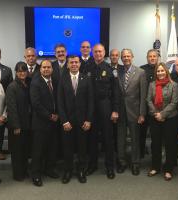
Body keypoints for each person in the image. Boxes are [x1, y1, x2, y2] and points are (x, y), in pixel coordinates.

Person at [57, 55, 94, 184]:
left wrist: (89, 120)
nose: (73, 64)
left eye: (76, 62)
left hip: (83, 121)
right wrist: (64, 121)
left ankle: (81, 171)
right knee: (67, 148)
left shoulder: (86, 79)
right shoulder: (63, 79)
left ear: (80, 64)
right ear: (67, 64)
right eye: (71, 62)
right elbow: (60, 102)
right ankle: (67, 171)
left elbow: (90, 101)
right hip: (68, 122)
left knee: (82, 148)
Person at [85, 44, 119, 179]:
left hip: (105, 105)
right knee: (92, 138)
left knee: (108, 138)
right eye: (96, 52)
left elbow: (116, 91)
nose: (98, 54)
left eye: (100, 51)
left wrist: (115, 110)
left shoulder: (110, 69)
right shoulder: (86, 67)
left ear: (104, 53)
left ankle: (109, 167)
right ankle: (92, 165)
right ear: (92, 53)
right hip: (90, 107)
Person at [116, 49, 147, 175]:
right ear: (121, 58)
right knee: (121, 139)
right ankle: (122, 162)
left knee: (135, 139)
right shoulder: (117, 72)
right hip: (120, 111)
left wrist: (142, 113)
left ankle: (135, 163)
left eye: (128, 56)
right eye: (123, 56)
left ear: (132, 57)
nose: (126, 58)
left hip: (135, 112)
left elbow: (143, 94)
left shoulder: (141, 72)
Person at [30, 60, 60, 187]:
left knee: (51, 148)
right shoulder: (35, 83)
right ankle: (36, 175)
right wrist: (50, 116)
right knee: (38, 150)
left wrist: (57, 114)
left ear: (52, 69)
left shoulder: (55, 81)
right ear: (40, 69)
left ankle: (49, 169)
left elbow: (58, 99)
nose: (46, 69)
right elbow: (35, 104)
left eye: (48, 67)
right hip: (41, 122)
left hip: (54, 122)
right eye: (44, 67)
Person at [147, 62, 178, 181]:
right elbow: (148, 100)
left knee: (169, 144)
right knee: (155, 144)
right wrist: (156, 114)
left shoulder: (173, 85)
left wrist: (163, 114)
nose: (160, 73)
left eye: (162, 70)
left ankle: (168, 169)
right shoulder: (152, 85)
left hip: (170, 118)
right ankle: (155, 167)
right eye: (158, 71)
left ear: (166, 71)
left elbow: (174, 102)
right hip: (155, 118)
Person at [6, 62, 32, 181]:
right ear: (16, 72)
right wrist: (16, 126)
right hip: (17, 125)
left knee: (25, 149)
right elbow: (11, 108)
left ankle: (24, 170)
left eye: (24, 71)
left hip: (27, 124)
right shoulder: (12, 86)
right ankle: (18, 174)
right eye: (19, 71)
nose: (22, 73)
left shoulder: (27, 84)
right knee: (17, 151)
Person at [139, 49, 159, 158]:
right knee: (141, 132)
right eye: (150, 56)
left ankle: (154, 154)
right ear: (147, 58)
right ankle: (141, 152)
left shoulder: (161, 69)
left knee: (155, 133)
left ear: (157, 57)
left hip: (157, 107)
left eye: (154, 56)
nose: (152, 58)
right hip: (144, 107)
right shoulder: (141, 69)